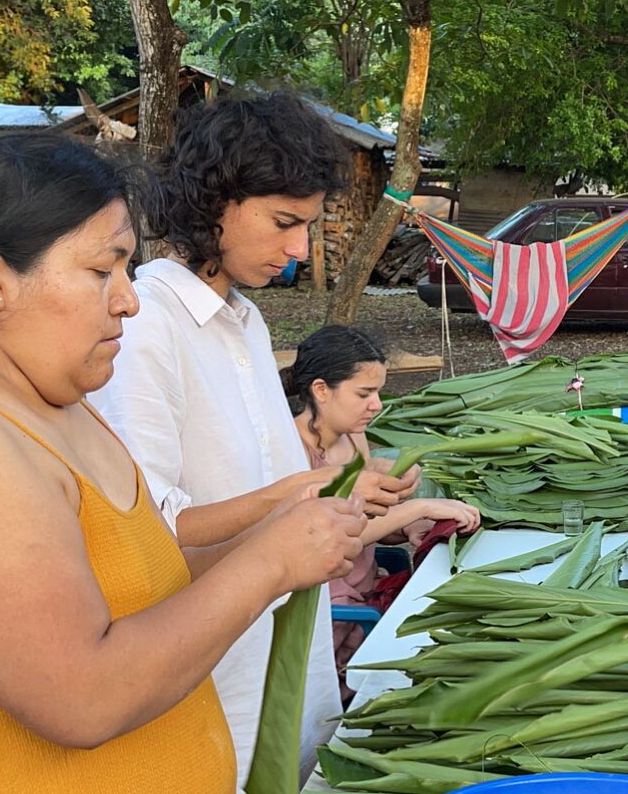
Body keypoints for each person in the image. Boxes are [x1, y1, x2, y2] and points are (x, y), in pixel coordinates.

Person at [0, 134, 366, 793]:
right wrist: (269, 563)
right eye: (100, 270)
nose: (128, 300)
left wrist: (277, 534)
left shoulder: (59, 409)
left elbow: (144, 581)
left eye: (129, 270)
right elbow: (83, 695)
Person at [89, 92, 420, 786]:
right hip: (209, 676)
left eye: (307, 225)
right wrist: (310, 489)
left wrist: (341, 492)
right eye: (283, 223)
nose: (299, 248)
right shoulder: (147, 324)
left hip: (284, 648)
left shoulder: (244, 322)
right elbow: (152, 531)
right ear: (216, 202)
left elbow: (264, 490)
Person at [288, 325, 481, 683]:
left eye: (378, 392)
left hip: (365, 587)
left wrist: (405, 528)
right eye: (364, 393)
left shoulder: (353, 435)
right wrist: (417, 509)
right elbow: (329, 538)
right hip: (324, 613)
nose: (376, 405)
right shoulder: (291, 452)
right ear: (320, 390)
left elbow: (363, 517)